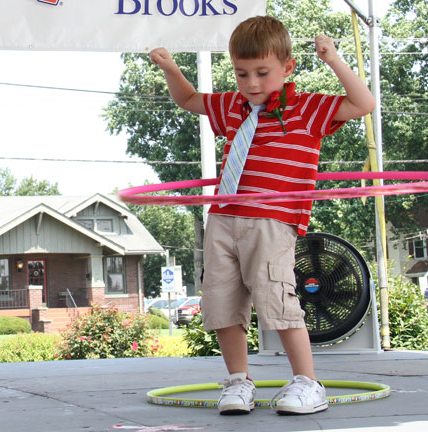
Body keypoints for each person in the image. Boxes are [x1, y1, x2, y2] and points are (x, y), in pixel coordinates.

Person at [150, 16, 375, 415]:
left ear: (287, 67)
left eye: (262, 73)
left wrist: (334, 60)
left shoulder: (306, 108)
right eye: (242, 73)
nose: (251, 83)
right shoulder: (234, 106)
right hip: (222, 217)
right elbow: (188, 100)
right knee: (222, 301)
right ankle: (238, 382)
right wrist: (170, 68)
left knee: (278, 299)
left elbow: (363, 103)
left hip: (272, 221)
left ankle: (307, 382)